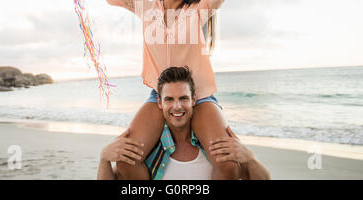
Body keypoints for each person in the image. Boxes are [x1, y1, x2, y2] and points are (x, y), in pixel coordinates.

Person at [57, 0, 237, 179]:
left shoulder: (198, 10)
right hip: (159, 96)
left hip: (200, 96)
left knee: (228, 162)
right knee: (126, 159)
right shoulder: (148, 10)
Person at [97, 67, 271, 180]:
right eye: (169, 99)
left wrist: (250, 159)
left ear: (194, 100)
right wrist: (104, 158)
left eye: (183, 98)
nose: (177, 106)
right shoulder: (150, 154)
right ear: (159, 103)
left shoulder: (215, 150)